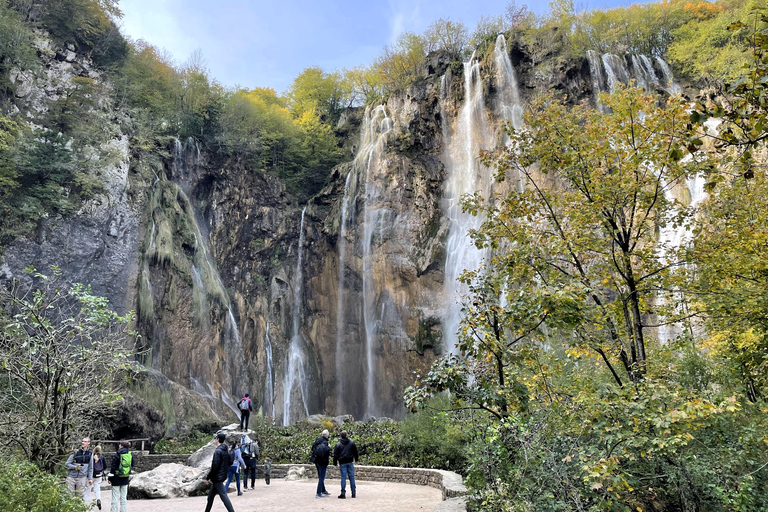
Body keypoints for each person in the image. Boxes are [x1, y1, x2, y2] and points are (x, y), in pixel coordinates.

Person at [204, 432, 235, 512]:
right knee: (210, 497)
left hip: (217, 478)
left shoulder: (218, 451)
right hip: (220, 477)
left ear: (217, 439)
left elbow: (215, 466)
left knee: (224, 496)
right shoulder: (225, 450)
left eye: (215, 438)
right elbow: (230, 462)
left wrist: (208, 477)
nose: (214, 439)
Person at [108, 440, 133, 512]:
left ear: (121, 446)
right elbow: (132, 464)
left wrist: (110, 478)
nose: (119, 446)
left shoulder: (117, 454)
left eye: (119, 445)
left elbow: (113, 468)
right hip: (125, 477)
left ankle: (114, 510)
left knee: (115, 497)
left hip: (116, 478)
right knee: (123, 497)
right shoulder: (130, 454)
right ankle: (123, 510)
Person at [333, 430, 359, 499]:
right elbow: (355, 452)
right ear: (346, 435)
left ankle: (343, 493)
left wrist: (335, 463)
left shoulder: (338, 444)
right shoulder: (351, 443)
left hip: (342, 463)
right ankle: (353, 493)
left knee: (343, 478)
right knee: (352, 478)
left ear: (341, 436)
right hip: (350, 462)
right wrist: (356, 459)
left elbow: (335, 455)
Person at [311, 429, 331, 498]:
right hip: (323, 462)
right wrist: (329, 447)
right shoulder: (326, 443)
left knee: (320, 476)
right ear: (327, 435)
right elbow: (327, 452)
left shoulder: (317, 441)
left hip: (316, 461)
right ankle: (318, 493)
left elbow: (312, 449)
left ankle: (323, 490)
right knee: (322, 477)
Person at [91, 444, 106, 510]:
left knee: (88, 488)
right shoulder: (102, 457)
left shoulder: (91, 456)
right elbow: (105, 466)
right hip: (98, 475)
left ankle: (84, 502)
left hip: (91, 475)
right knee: (97, 488)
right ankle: (98, 499)